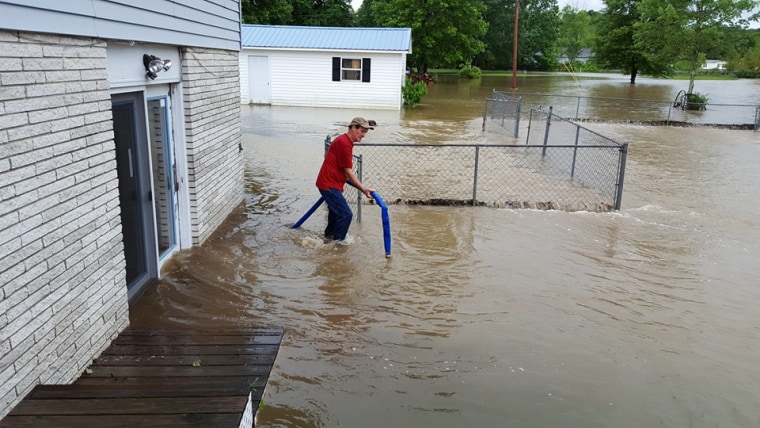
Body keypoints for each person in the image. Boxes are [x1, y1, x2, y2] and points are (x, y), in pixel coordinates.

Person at [316, 117, 377, 241]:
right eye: (362, 131)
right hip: (329, 185)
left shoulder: (343, 140)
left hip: (329, 184)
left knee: (335, 215)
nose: (364, 135)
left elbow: (335, 163)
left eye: (365, 132)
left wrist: (362, 188)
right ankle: (338, 247)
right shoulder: (344, 143)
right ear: (353, 128)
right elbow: (348, 172)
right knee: (346, 215)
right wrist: (364, 190)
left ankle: (327, 241)